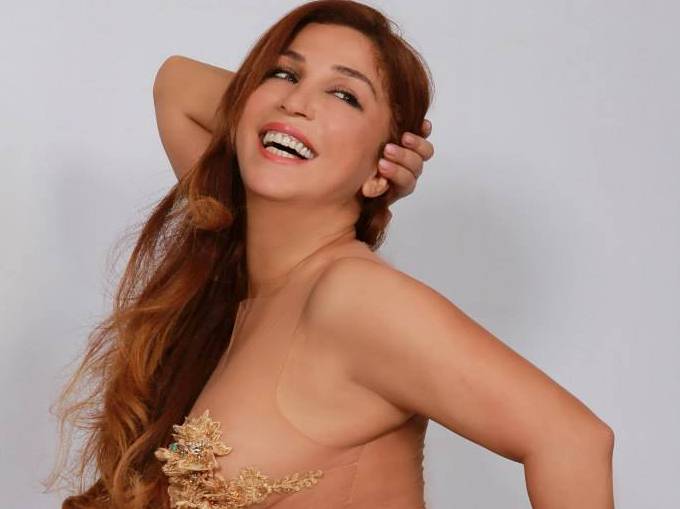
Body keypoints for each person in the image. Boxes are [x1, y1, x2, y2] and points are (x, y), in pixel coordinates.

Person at [45, 1, 614, 508]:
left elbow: (572, 439)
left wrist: (339, 150)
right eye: (285, 73)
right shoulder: (246, 278)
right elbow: (176, 83)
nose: (297, 100)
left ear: (386, 165)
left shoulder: (353, 297)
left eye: (345, 95)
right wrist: (294, 126)